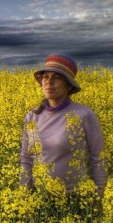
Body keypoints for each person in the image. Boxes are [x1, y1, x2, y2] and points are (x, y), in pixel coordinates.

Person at [19, 54, 107, 199]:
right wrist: (25, 196)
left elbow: (98, 158)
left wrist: (99, 196)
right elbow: (27, 159)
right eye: (45, 77)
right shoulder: (32, 116)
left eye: (57, 77)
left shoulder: (84, 114)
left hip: (76, 197)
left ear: (69, 85)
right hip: (39, 197)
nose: (49, 82)